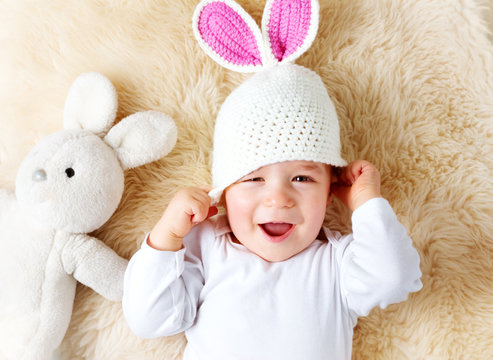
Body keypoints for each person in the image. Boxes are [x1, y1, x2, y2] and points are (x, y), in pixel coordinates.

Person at [123, 0, 422, 358]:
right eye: (254, 180)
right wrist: (166, 238)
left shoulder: (337, 265)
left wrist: (366, 204)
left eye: (301, 178)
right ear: (225, 192)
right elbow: (149, 319)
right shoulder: (207, 247)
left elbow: (394, 277)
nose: (278, 199)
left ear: (330, 191)